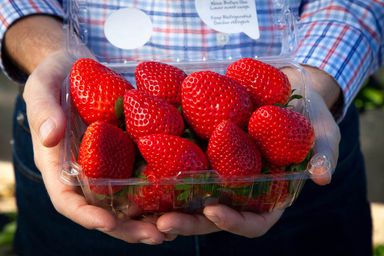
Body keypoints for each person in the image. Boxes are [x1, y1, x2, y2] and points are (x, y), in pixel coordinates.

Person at [0, 0, 382, 255]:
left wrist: (313, 84)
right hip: (84, 138)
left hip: (294, 160)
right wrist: (52, 55)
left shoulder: (272, 117)